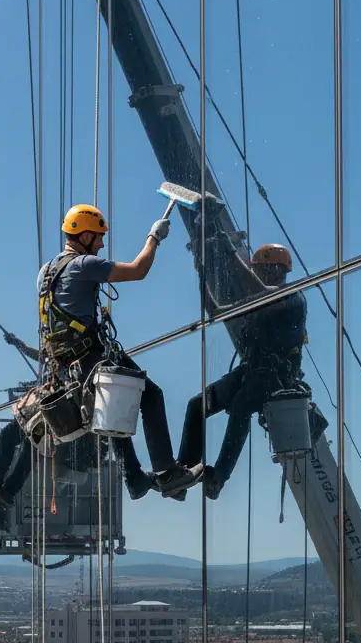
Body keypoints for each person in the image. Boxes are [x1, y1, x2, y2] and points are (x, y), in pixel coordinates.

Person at [37, 203, 203, 499]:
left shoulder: (46, 271)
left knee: (111, 410)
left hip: (67, 363)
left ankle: (135, 479)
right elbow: (139, 270)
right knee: (151, 395)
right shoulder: (84, 265)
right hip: (90, 354)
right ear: (84, 236)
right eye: (98, 237)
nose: (101, 244)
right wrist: (154, 237)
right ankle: (167, 474)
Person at [176, 242, 308, 499]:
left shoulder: (293, 297)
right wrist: (201, 274)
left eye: (260, 269)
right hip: (252, 370)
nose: (256, 274)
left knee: (241, 407)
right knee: (197, 405)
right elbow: (215, 311)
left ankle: (219, 477)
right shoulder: (259, 299)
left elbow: (261, 292)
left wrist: (229, 252)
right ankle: (182, 475)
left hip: (276, 377)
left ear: (276, 270)